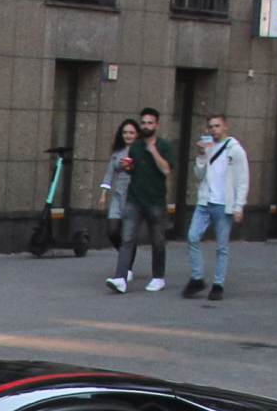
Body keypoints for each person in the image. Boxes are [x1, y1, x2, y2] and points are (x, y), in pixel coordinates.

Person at [182, 112, 248, 302]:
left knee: (222, 246)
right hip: (205, 201)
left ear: (225, 126)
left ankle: (218, 284)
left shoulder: (235, 150)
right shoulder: (208, 147)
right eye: (210, 126)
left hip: (223, 204)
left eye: (217, 126)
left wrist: (239, 206)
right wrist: (201, 155)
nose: (213, 130)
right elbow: (199, 174)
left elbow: (243, 179)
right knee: (193, 237)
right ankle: (197, 277)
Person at [108, 106, 174, 294]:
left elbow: (167, 170)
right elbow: (133, 170)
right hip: (134, 200)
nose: (146, 126)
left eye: (149, 123)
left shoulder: (164, 146)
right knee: (127, 239)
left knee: (157, 240)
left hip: (155, 200)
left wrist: (153, 150)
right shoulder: (135, 146)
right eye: (143, 122)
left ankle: (158, 277)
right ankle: (120, 277)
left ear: (157, 125)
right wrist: (126, 167)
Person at [96, 120, 139, 253]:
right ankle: (124, 254)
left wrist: (132, 167)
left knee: (128, 234)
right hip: (118, 196)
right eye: (125, 132)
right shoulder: (117, 154)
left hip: (133, 196)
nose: (128, 135)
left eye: (131, 132)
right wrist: (103, 195)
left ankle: (127, 263)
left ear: (137, 134)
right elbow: (109, 174)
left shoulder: (140, 152)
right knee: (112, 230)